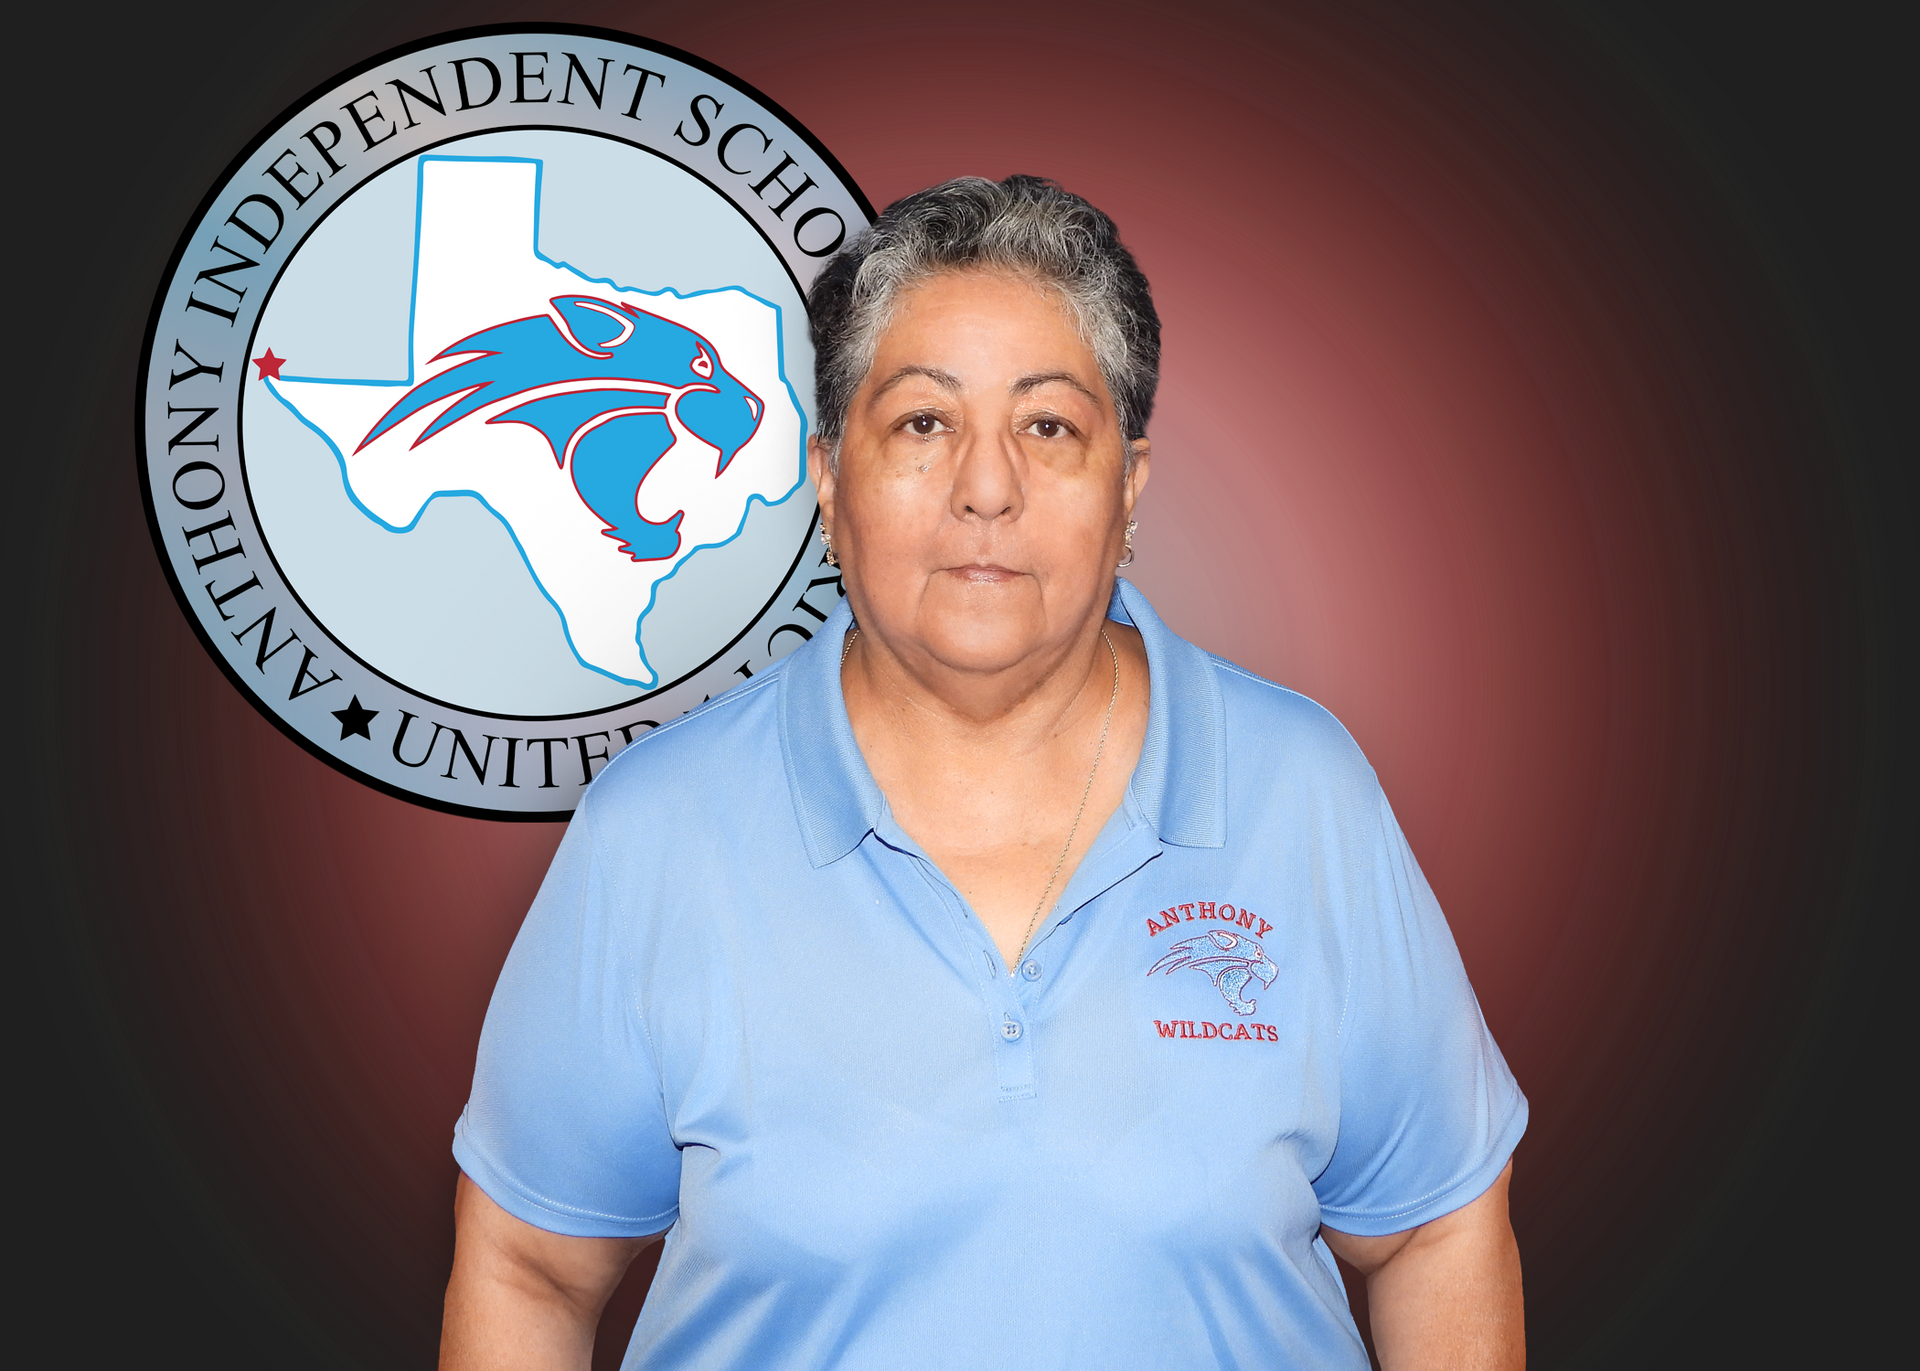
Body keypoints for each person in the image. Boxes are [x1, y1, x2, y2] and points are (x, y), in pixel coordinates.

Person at [440, 175, 1526, 1371]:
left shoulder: (1300, 790)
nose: (987, 487)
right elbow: (530, 1271)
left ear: (1130, 490)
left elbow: (1432, 1231)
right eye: (922, 423)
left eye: (1049, 426)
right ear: (826, 478)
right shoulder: (657, 830)